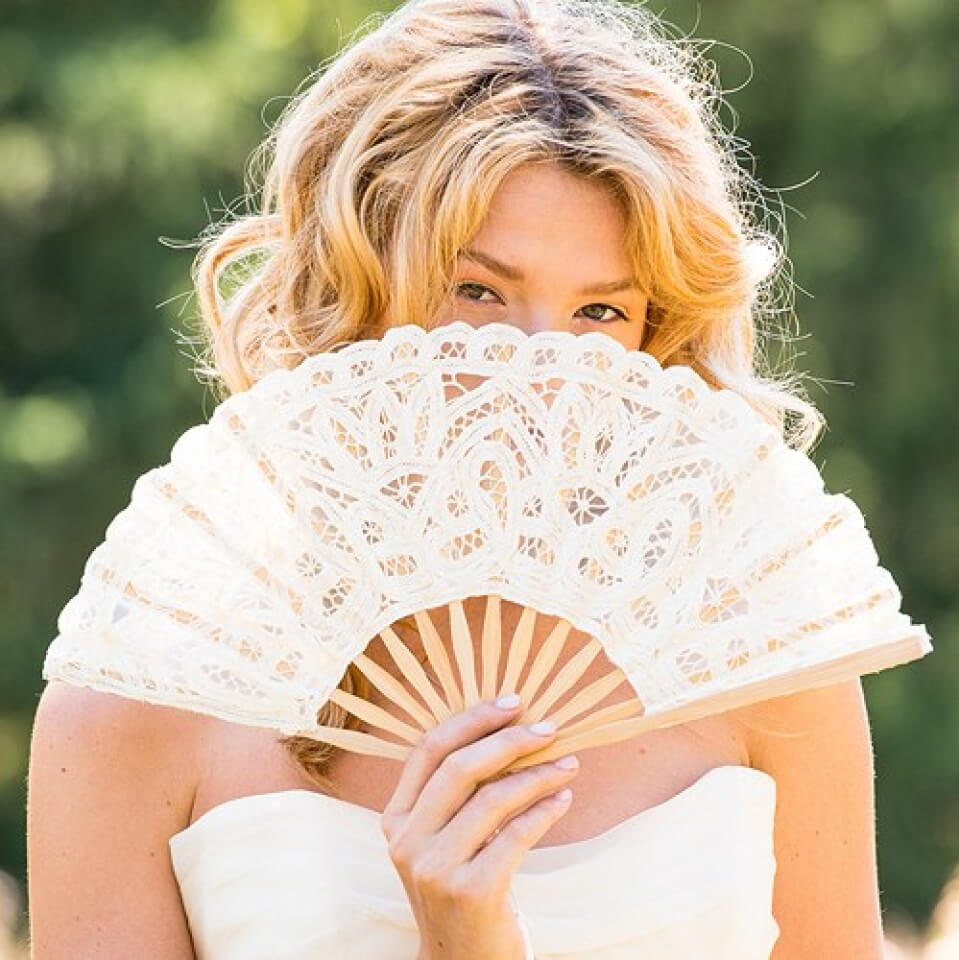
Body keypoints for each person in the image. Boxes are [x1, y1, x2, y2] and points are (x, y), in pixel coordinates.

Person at [27, 0, 887, 956]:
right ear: (350, 291)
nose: (540, 369)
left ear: (658, 338)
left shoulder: (763, 667)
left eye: (601, 310)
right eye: (478, 290)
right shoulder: (141, 702)